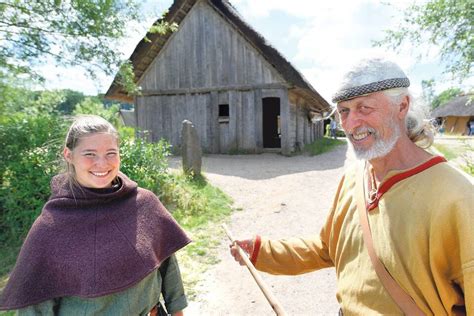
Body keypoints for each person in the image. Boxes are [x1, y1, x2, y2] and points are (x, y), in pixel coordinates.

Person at [230, 58, 473, 314]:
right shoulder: (354, 178)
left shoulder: (457, 197)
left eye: (364, 108)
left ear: (402, 106)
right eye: (344, 111)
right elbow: (327, 249)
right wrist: (261, 251)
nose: (351, 123)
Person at [0, 115, 191, 315]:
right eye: (89, 153)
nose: (102, 163)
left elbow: (167, 261)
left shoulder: (144, 203)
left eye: (111, 153)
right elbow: (35, 309)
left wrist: (176, 310)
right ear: (68, 155)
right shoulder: (50, 228)